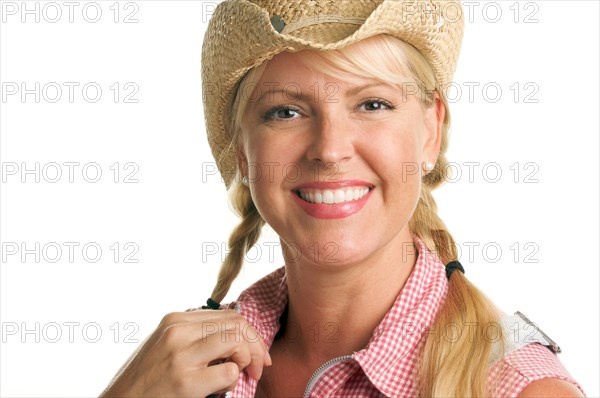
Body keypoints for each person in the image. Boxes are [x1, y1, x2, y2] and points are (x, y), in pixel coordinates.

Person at [100, 0, 586, 396]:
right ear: (242, 151)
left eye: (372, 104)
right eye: (286, 112)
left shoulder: (521, 389)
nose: (330, 150)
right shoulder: (177, 375)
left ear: (430, 131)